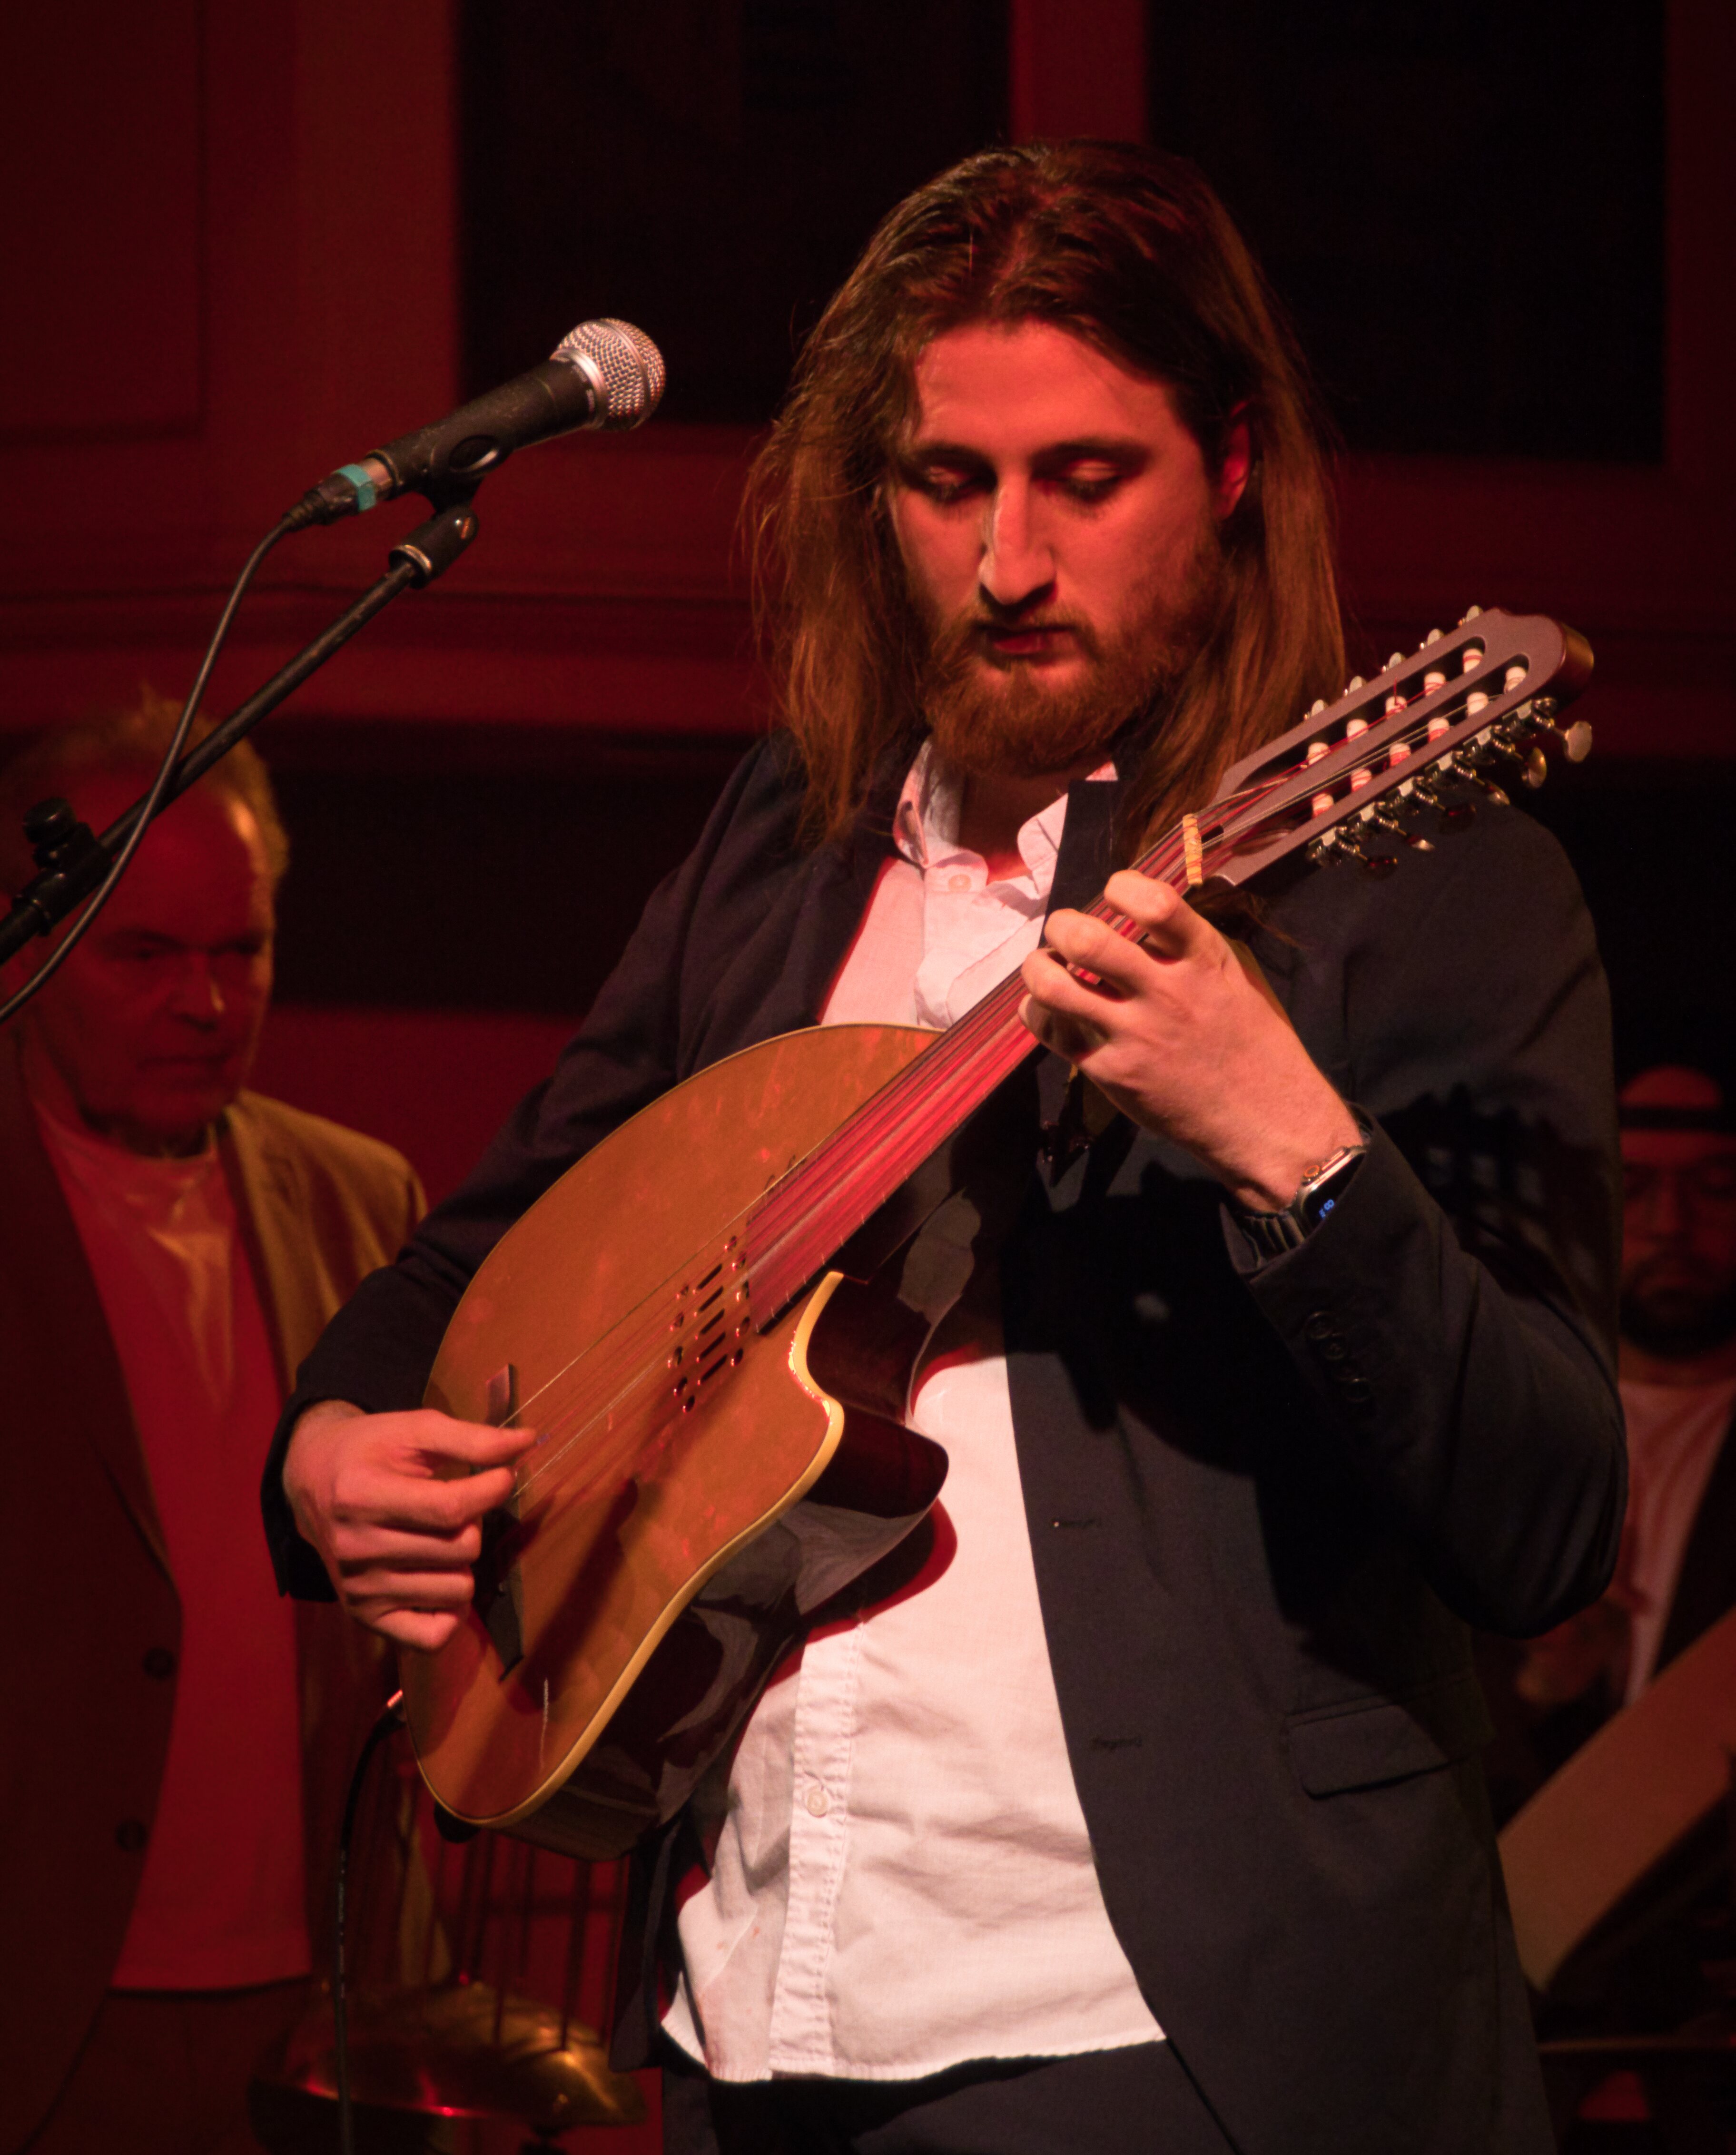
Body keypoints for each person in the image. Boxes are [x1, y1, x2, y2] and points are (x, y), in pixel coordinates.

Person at [264, 144, 1625, 2155]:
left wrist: (1293, 1149)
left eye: (1087, 477)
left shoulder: (1419, 891)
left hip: (1171, 2033)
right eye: (945, 481)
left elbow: (1551, 1516)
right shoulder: (779, 848)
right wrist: (327, 1447)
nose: (1006, 562)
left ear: (1230, 468)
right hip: (753, 2012)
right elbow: (480, 1248)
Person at [0, 698, 424, 2155]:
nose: (205, 1001)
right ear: (31, 938)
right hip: (45, 2000)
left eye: (240, 950)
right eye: (144, 953)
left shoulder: (364, 1193)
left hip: (317, 1996)